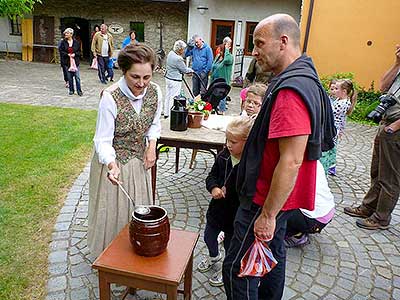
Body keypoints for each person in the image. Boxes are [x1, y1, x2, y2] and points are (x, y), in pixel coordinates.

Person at [222, 14, 336, 300]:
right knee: (273, 260)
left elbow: (292, 160)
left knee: (238, 269)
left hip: (265, 200)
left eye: (259, 43)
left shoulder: (290, 91)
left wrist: (268, 215)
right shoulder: (306, 75)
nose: (254, 51)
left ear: (283, 42)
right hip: (280, 199)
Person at [88, 44, 162, 259]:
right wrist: (111, 164)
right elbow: (102, 139)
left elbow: (154, 123)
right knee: (112, 211)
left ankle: (137, 249)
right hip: (114, 164)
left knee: (138, 209)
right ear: (124, 71)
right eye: (135, 77)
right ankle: (112, 258)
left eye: (146, 77)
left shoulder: (155, 91)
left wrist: (151, 145)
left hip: (139, 161)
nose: (141, 84)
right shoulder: (110, 97)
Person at [344, 44, 400, 230]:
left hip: (395, 127)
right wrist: (397, 63)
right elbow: (383, 86)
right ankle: (368, 207)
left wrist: (395, 126)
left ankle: (381, 217)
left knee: (390, 176)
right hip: (386, 121)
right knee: (377, 170)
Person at [199, 116, 254, 287]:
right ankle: (214, 255)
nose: (229, 145)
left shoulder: (250, 164)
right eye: (227, 140)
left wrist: (231, 190)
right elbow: (212, 175)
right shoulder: (223, 156)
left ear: (246, 142)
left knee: (231, 247)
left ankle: (226, 270)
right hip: (217, 210)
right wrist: (214, 187)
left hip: (235, 215)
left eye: (234, 142)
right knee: (209, 236)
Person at [284, 161, 335, 247]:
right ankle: (297, 231)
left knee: (274, 205)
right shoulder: (314, 158)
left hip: (313, 219)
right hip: (327, 211)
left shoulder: (293, 163)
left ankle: (296, 234)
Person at [320, 79, 357, 175]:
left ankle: (326, 168)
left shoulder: (342, 103)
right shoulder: (339, 100)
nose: (334, 91)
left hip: (332, 129)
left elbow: (329, 112)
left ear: (344, 91)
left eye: (336, 89)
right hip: (333, 128)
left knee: (328, 148)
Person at [164, 40, 193, 118]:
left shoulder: (170, 53)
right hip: (175, 80)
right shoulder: (178, 59)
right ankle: (171, 115)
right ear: (180, 49)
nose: (184, 51)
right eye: (183, 49)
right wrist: (192, 70)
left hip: (168, 78)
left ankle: (166, 113)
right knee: (174, 97)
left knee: (167, 96)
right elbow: (184, 70)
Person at [210, 37, 233, 114]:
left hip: (223, 80)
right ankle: (213, 108)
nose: (219, 50)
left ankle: (221, 111)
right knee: (213, 95)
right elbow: (213, 66)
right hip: (215, 79)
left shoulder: (229, 57)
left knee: (221, 96)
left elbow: (226, 60)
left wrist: (226, 50)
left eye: (220, 49)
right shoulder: (218, 56)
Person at [58, 28, 83, 96]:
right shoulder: (63, 42)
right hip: (67, 62)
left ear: (71, 34)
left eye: (67, 33)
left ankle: (79, 91)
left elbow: (79, 52)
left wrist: (75, 54)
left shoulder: (76, 42)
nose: (65, 34)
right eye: (65, 33)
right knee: (69, 77)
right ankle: (71, 90)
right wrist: (67, 54)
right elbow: (61, 51)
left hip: (75, 62)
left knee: (77, 77)